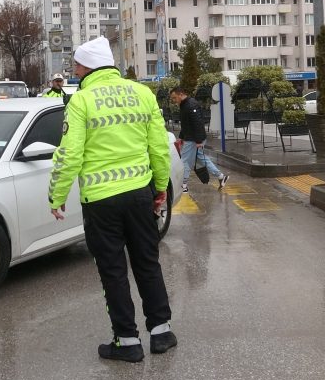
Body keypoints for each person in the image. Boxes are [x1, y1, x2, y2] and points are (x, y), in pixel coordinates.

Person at [48, 36, 175, 362]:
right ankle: (161, 333)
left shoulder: (81, 101)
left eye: (76, 65)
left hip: (101, 202)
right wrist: (160, 187)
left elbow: (69, 154)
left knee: (114, 271)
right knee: (148, 262)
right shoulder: (143, 93)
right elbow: (158, 148)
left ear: (87, 66)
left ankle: (126, 341)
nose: (74, 71)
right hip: (138, 195)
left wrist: (57, 195)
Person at [169, 85, 227, 193]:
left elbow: (198, 123)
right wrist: (181, 137)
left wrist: (199, 141)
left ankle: (184, 185)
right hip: (192, 138)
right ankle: (221, 176)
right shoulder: (184, 105)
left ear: (181, 94)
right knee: (201, 158)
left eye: (174, 97)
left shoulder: (191, 105)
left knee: (184, 161)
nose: (173, 100)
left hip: (194, 139)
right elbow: (186, 124)